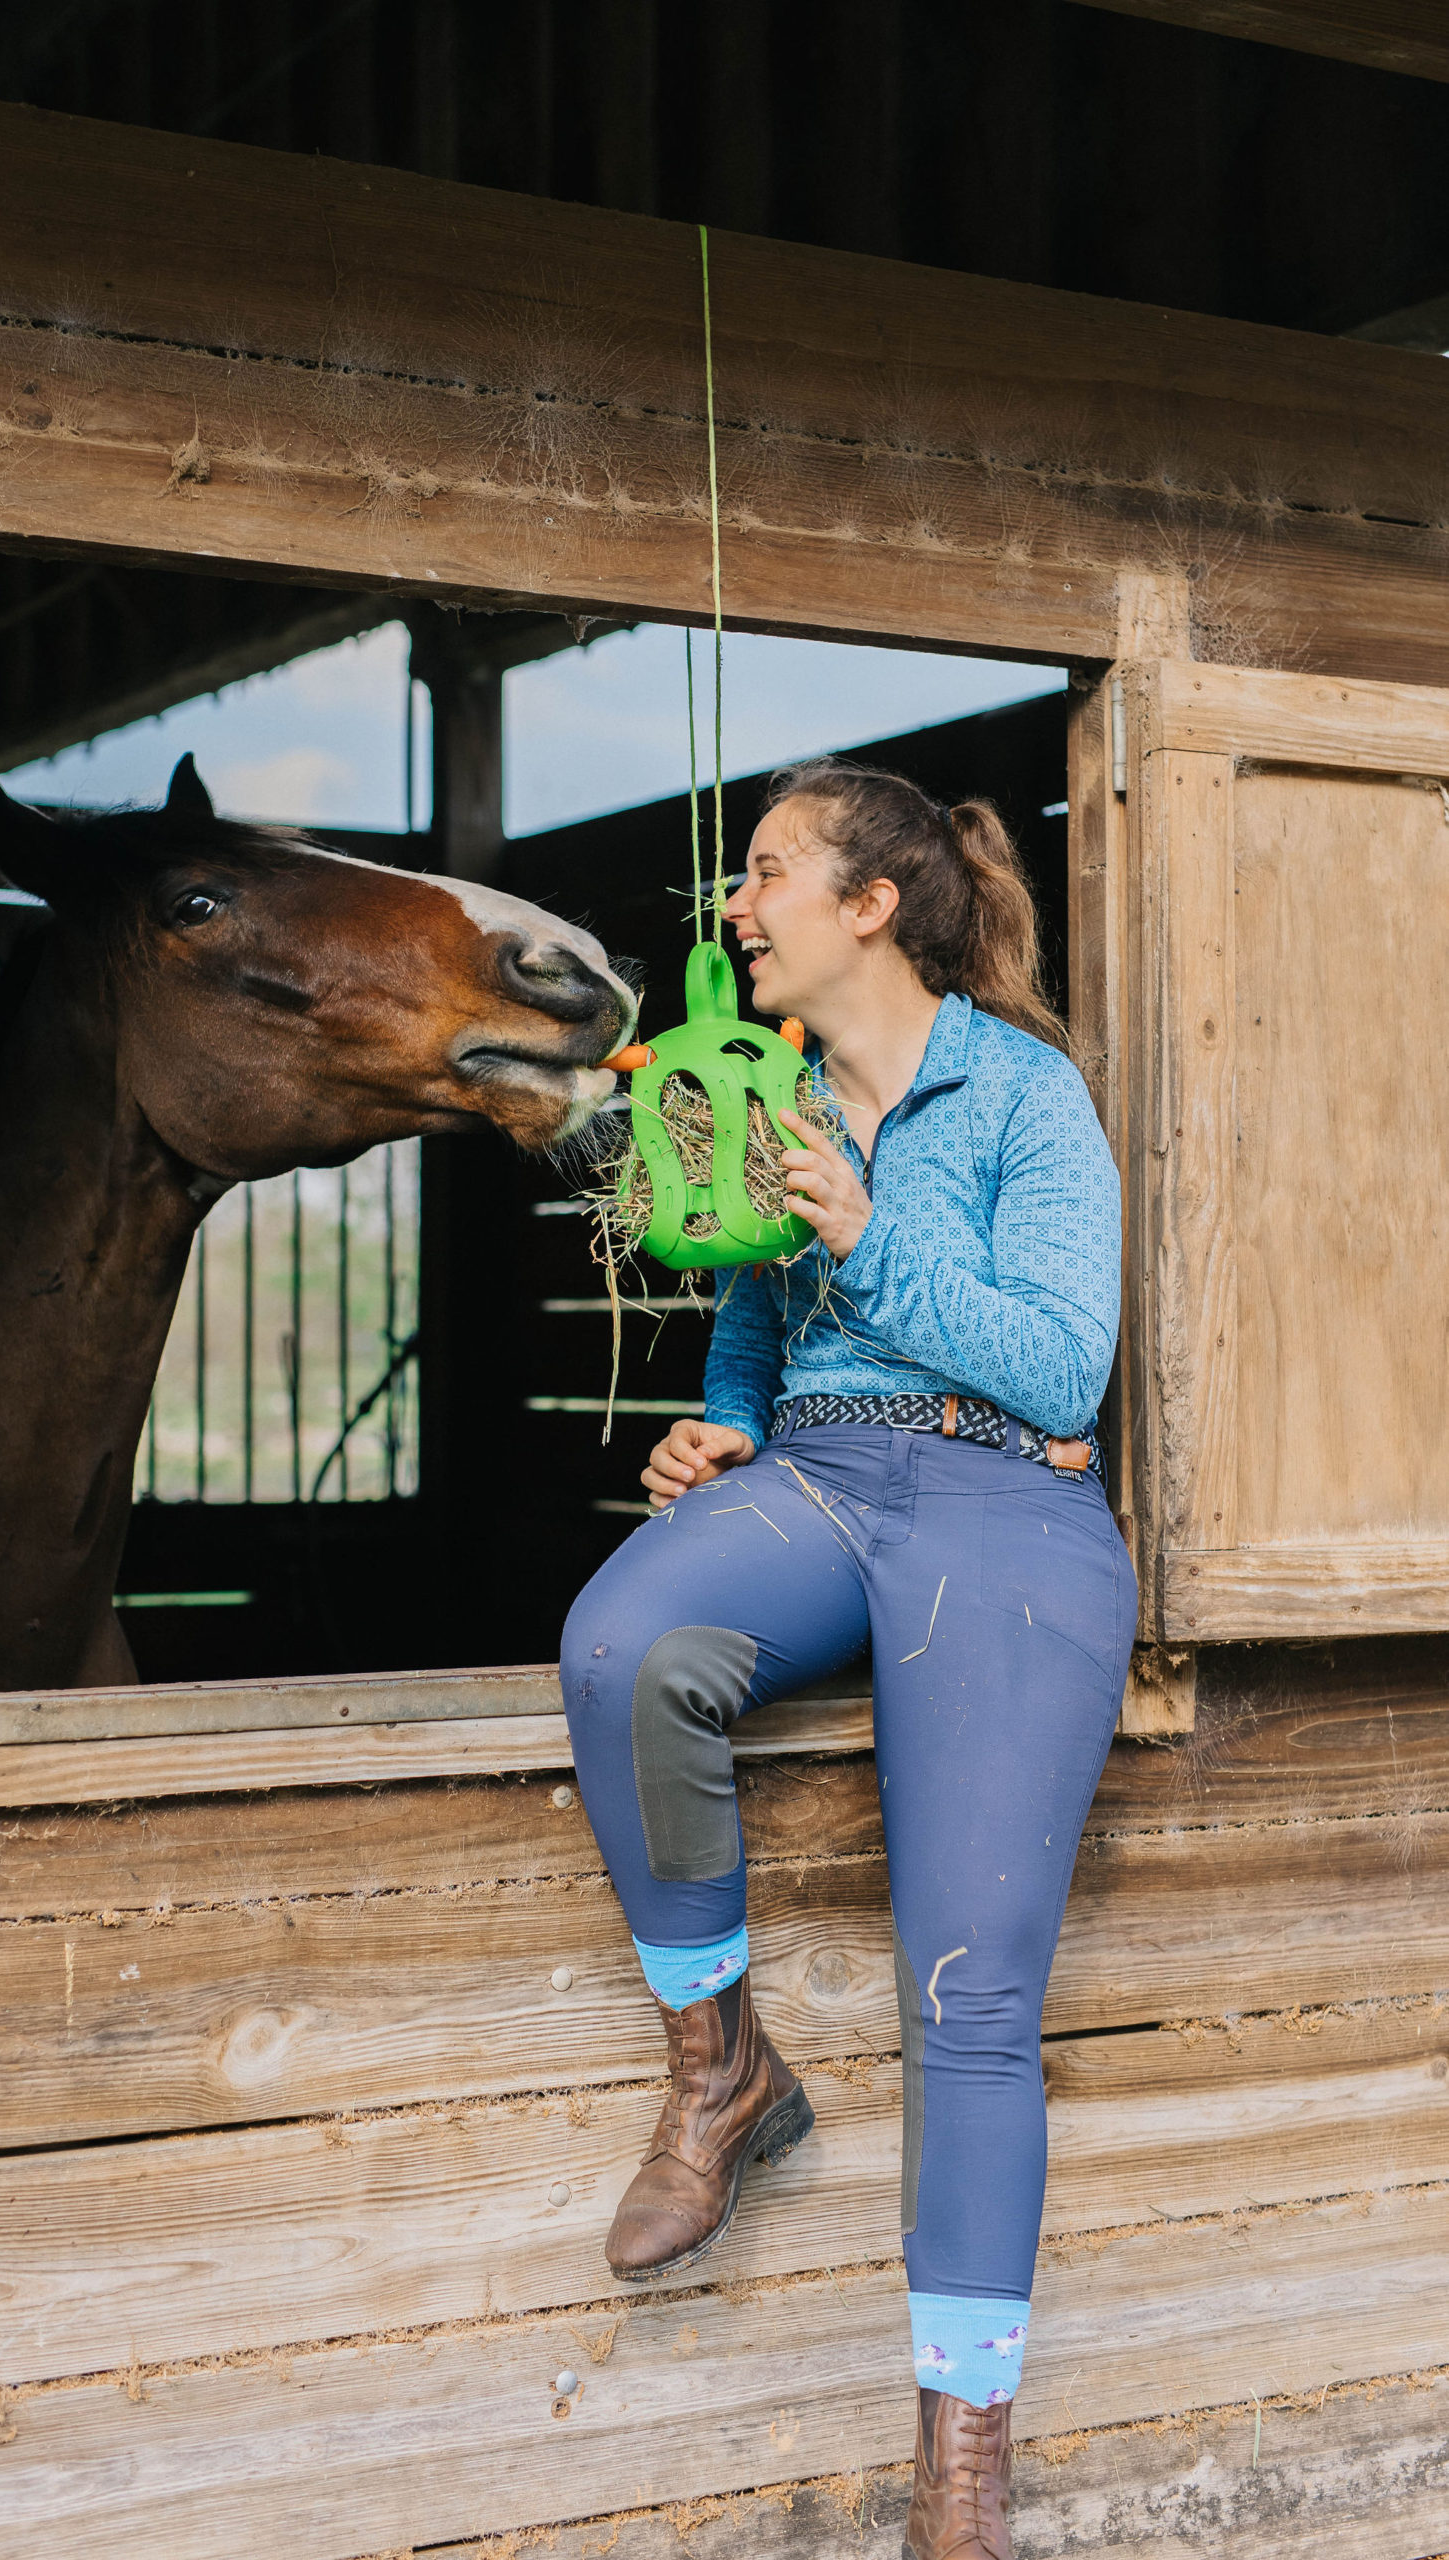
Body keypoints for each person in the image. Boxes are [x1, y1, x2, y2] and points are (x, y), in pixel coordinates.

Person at [561, 758, 1137, 2560]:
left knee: (969, 1995)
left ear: (870, 907)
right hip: (822, 1476)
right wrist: (717, 1434)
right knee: (622, 1643)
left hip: (1003, 1509)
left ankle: (963, 2460)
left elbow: (1058, 1371)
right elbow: (750, 1320)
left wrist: (870, 1236)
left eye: (766, 875)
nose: (736, 909)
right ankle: (720, 2066)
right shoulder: (765, 1092)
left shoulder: (1022, 1096)